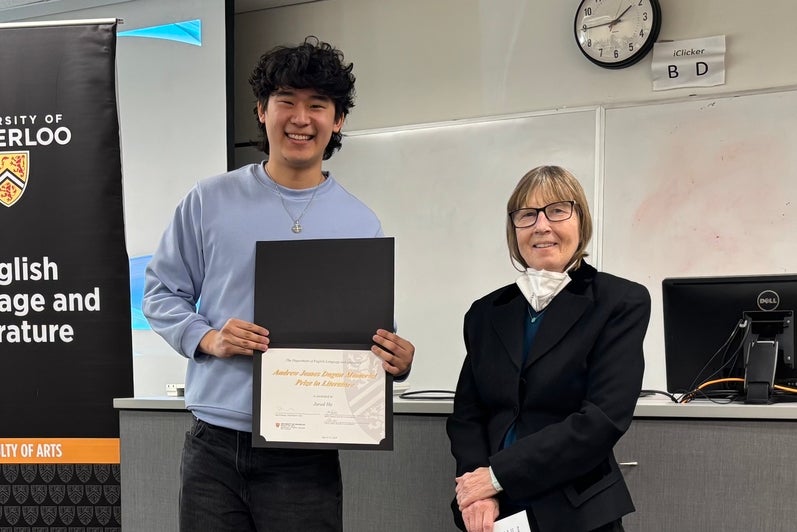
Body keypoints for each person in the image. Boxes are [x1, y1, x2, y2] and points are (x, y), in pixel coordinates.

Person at [143, 36, 415, 532]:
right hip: (214, 446)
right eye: (286, 101)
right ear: (262, 111)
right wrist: (209, 337)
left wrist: (396, 361)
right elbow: (161, 292)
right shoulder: (209, 200)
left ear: (338, 121)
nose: (300, 118)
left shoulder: (359, 222)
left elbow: (371, 337)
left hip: (305, 454)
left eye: (318, 105)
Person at [446, 165, 650, 532]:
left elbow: (602, 420)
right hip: (497, 512)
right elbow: (468, 415)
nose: (542, 226)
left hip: (578, 511)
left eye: (557, 210)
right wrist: (478, 491)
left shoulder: (620, 301)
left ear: (581, 220)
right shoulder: (485, 313)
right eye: (527, 215)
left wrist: (496, 476)